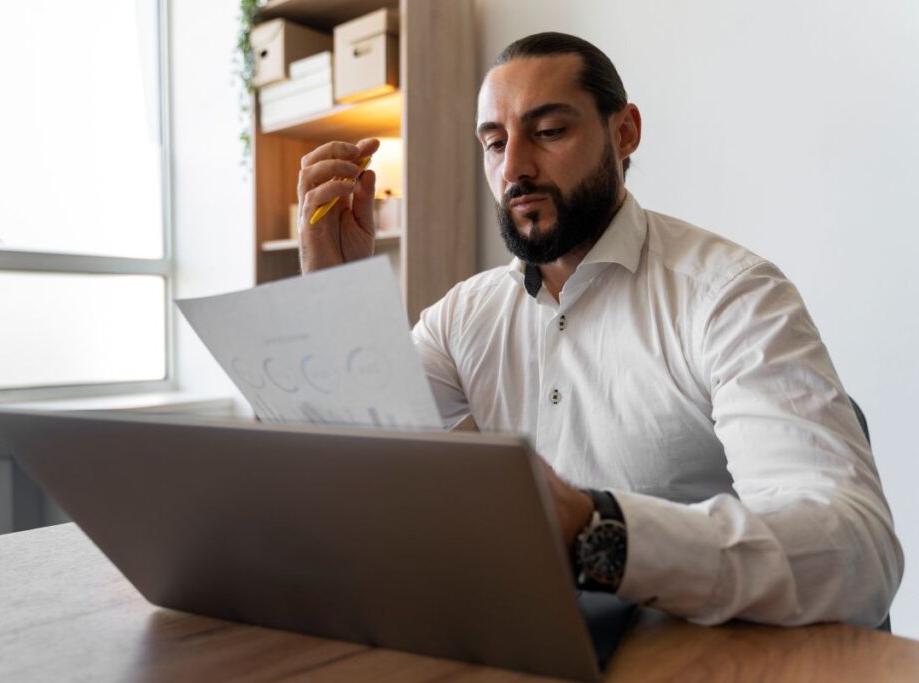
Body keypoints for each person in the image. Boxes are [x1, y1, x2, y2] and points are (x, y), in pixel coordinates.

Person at [295, 32, 903, 627]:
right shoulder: (462, 317)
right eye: (495, 142)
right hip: (536, 642)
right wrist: (332, 295)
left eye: (549, 131)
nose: (514, 169)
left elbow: (856, 555)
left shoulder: (729, 297)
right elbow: (354, 473)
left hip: (700, 657)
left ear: (625, 131)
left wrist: (598, 530)